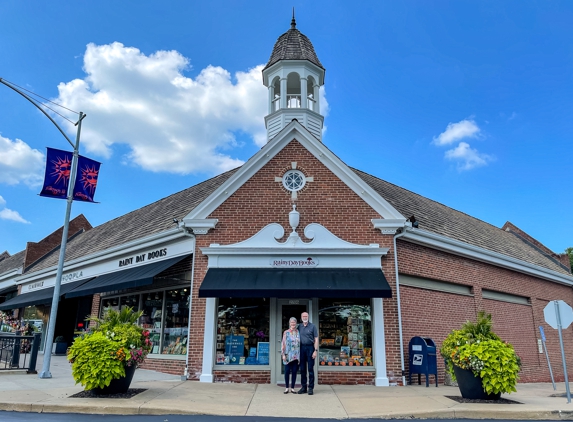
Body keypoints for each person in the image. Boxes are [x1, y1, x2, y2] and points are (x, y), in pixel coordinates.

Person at [298, 311, 318, 395]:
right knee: (302, 369)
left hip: (310, 347)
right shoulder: (299, 326)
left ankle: (310, 388)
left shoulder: (313, 326)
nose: (305, 317)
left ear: (308, 317)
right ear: (301, 317)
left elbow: (316, 339)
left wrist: (315, 351)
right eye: (303, 316)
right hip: (301, 348)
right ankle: (303, 387)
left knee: (310, 369)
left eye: (306, 316)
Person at [281, 316, 300, 394]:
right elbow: (283, 343)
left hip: (296, 355)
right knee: (287, 371)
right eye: (291, 322)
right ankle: (286, 388)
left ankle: (292, 388)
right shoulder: (286, 332)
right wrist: (283, 354)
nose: (293, 323)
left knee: (294, 371)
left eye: (294, 322)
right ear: (289, 323)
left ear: (296, 323)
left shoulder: (298, 332)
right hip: (288, 355)